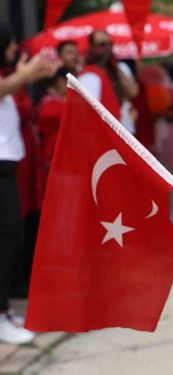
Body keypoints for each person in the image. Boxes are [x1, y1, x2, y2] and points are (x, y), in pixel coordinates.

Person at [0, 25, 60, 344]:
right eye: (11, 45)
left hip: (10, 166)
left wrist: (28, 75)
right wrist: (25, 76)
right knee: (7, 237)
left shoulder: (10, 77)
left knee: (12, 236)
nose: (14, 50)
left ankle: (4, 310)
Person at [78, 30, 139, 120]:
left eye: (110, 44)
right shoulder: (88, 73)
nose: (107, 48)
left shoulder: (119, 67)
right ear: (92, 47)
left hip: (123, 125)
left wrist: (114, 66)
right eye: (102, 44)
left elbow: (133, 92)